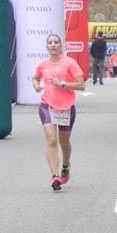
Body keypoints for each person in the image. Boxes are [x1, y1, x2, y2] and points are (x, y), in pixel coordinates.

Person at [32, 35, 85, 191]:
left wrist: (62, 84)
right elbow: (36, 78)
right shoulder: (43, 65)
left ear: (61, 46)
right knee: (51, 140)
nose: (53, 45)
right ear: (47, 47)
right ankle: (55, 176)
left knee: (64, 143)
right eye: (50, 43)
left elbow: (81, 85)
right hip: (46, 105)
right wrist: (36, 85)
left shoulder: (70, 63)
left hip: (66, 107)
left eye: (56, 42)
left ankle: (65, 166)